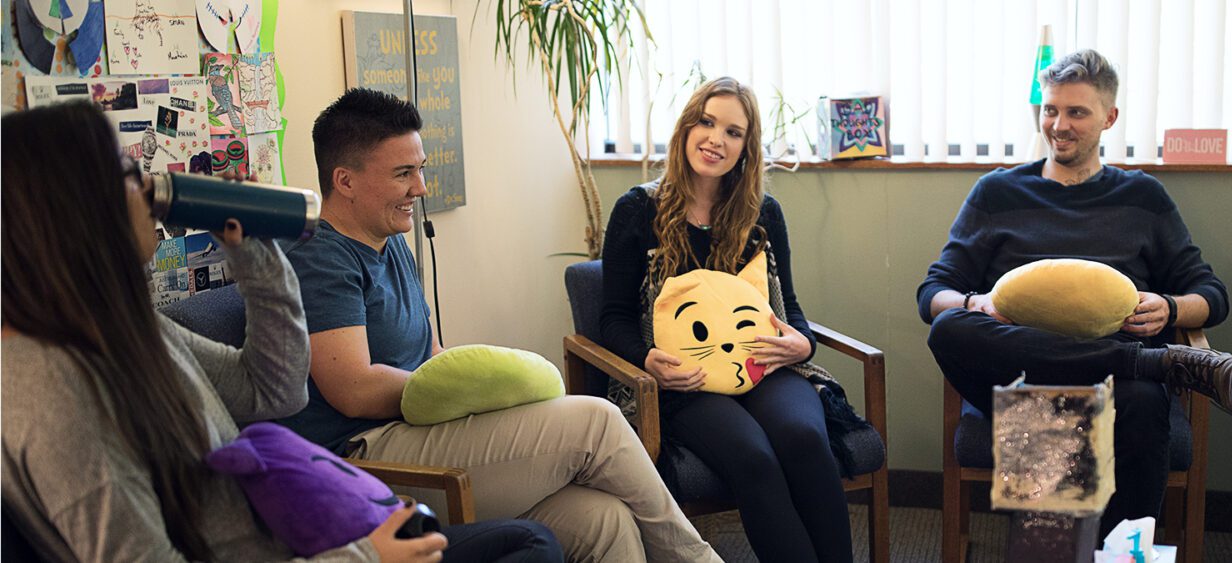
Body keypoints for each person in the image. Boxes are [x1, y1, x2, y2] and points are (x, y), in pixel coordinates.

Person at [1, 102, 562, 562]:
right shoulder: (47, 384)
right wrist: (362, 557)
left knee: (534, 539)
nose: (148, 189)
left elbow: (274, 392)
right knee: (528, 548)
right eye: (126, 175)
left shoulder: (127, 328)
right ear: (74, 206)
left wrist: (255, 252)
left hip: (291, 540)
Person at [276, 88, 719, 563]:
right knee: (598, 421)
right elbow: (354, 389)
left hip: (413, 434)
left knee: (603, 519)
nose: (421, 187)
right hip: (363, 461)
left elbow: (431, 357)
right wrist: (469, 396)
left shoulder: (389, 242)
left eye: (420, 168)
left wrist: (496, 395)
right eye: (403, 173)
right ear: (344, 181)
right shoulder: (320, 258)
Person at [916, 49, 1232, 537]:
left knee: (1140, 402)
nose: (1059, 124)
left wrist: (1168, 308)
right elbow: (933, 292)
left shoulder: (1142, 197)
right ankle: (1148, 362)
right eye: (1051, 110)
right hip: (1022, 375)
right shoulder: (997, 193)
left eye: (1076, 112)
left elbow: (1210, 293)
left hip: (1118, 389)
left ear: (1109, 117)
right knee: (951, 326)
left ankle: (1117, 550)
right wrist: (977, 303)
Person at [599, 77, 865, 563]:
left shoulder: (763, 213)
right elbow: (612, 318)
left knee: (805, 437)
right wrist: (647, 359)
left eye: (733, 132)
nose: (715, 139)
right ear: (685, 128)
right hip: (687, 379)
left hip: (763, 363)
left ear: (747, 147)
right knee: (754, 457)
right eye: (706, 122)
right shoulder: (638, 210)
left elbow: (791, 309)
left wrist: (802, 345)